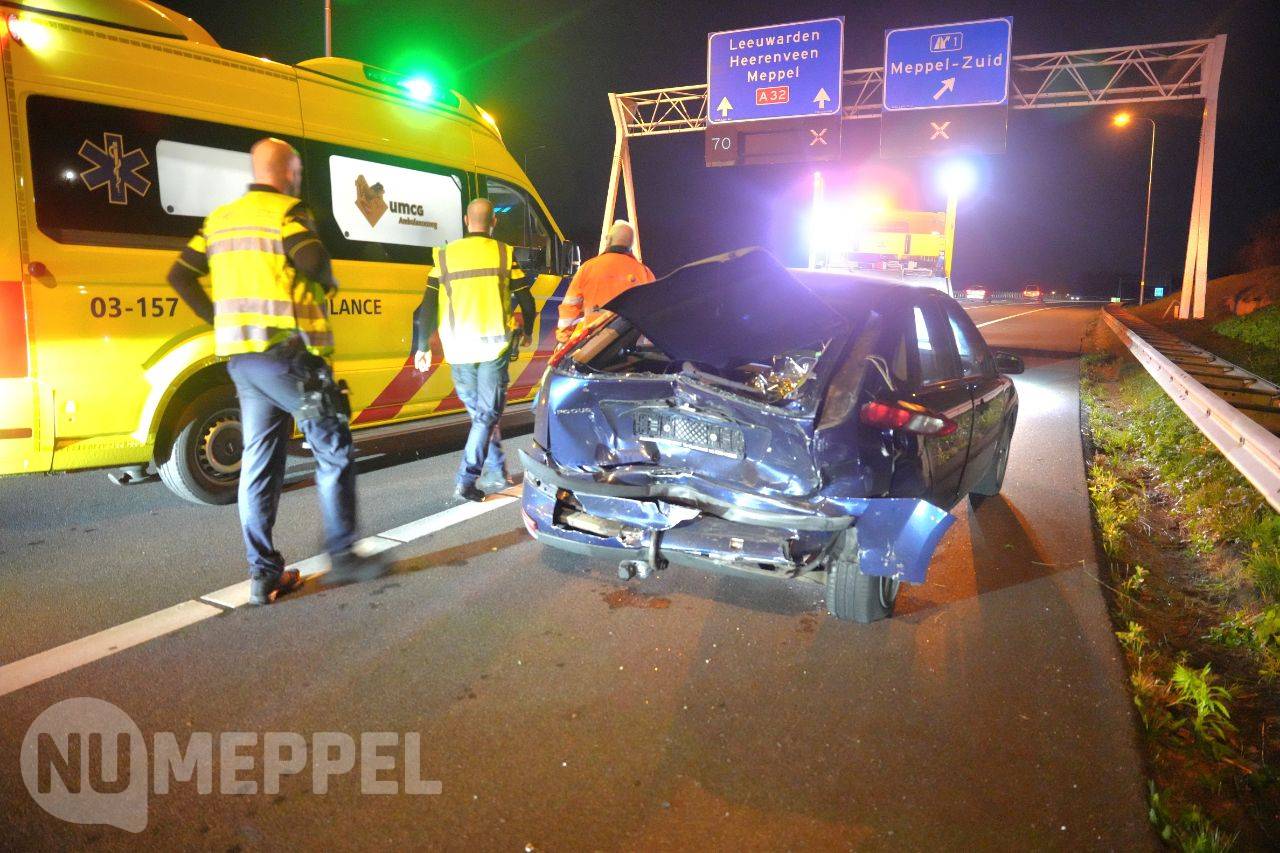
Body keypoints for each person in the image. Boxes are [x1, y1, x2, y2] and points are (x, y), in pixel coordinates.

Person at [167, 138, 387, 605]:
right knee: (333, 446)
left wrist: (217, 319)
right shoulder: (287, 215)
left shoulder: (219, 220)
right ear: (287, 171)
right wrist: (326, 276)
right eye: (298, 172)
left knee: (260, 462)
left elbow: (180, 276)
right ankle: (344, 553)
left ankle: (264, 574)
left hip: (242, 361)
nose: (298, 179)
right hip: (288, 356)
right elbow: (311, 260)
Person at [411, 198, 536, 502]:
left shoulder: (444, 256)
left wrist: (422, 345)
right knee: (486, 415)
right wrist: (529, 330)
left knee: (482, 416)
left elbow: (425, 307)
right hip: (494, 349)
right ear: (494, 222)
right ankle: (467, 479)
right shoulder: (504, 254)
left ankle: (495, 469)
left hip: (457, 351)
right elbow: (527, 300)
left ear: (467, 221)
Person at [556, 220, 654, 343]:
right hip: (632, 347)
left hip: (595, 346)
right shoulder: (645, 273)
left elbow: (570, 307)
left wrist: (563, 337)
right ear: (631, 245)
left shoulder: (588, 268)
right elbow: (654, 313)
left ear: (608, 239)